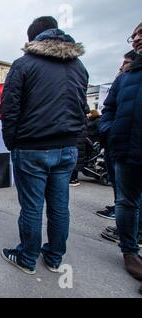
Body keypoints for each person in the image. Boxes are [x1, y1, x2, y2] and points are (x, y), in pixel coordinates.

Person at [0, 16, 89, 275]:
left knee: (32, 207)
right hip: (67, 147)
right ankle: (54, 257)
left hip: (32, 147)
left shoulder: (24, 64)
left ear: (32, 38)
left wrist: (12, 142)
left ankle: (27, 258)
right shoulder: (79, 67)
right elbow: (80, 107)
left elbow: (9, 109)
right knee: (60, 207)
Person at [100, 23, 142, 288]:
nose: (137, 38)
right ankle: (130, 252)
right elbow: (108, 109)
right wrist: (110, 132)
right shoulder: (125, 77)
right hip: (126, 150)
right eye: (135, 34)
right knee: (127, 202)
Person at [97, 51, 138, 221]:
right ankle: (128, 236)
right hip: (118, 142)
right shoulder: (122, 80)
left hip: (131, 144)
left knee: (130, 195)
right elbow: (109, 108)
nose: (121, 67)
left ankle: (136, 231)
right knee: (123, 193)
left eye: (126, 62)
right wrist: (108, 130)